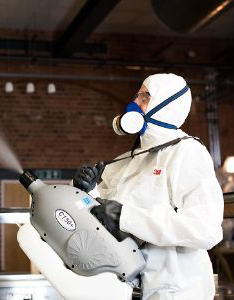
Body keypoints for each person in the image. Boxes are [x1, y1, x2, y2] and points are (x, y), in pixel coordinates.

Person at [73, 73, 224, 299]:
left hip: (176, 290)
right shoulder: (128, 160)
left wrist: (126, 217)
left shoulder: (187, 153)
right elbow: (100, 215)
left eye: (145, 97)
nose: (134, 104)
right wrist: (87, 191)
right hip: (129, 288)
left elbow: (206, 228)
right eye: (137, 96)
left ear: (167, 105)